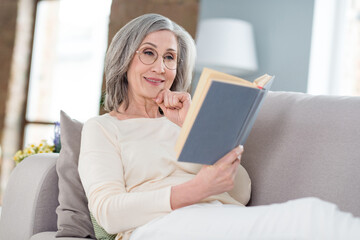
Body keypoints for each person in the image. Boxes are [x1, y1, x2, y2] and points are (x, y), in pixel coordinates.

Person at [78, 13, 360, 240]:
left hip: (217, 217)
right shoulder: (103, 128)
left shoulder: (184, 118)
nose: (161, 68)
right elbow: (108, 212)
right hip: (157, 226)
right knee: (310, 218)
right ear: (124, 59)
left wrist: (194, 126)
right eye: (148, 53)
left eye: (169, 57)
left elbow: (239, 193)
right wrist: (195, 190)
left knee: (313, 216)